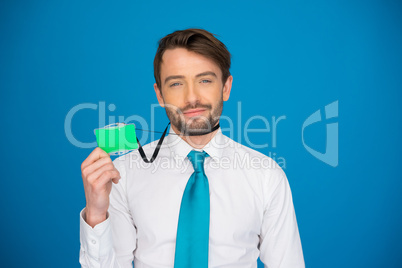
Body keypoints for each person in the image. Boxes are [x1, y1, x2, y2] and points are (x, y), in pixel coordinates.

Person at [79, 28, 305, 268]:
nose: (192, 97)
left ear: (226, 87)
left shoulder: (266, 176)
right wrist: (96, 216)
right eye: (176, 83)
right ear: (159, 94)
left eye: (205, 80)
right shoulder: (121, 176)